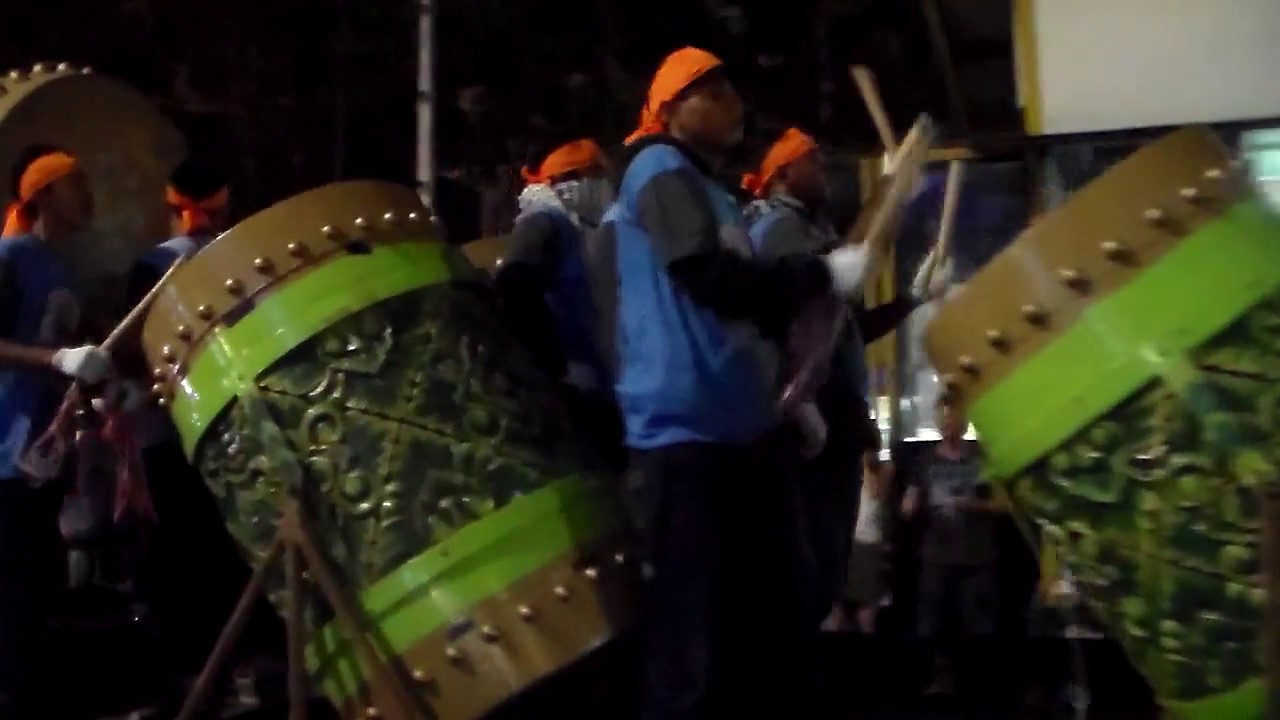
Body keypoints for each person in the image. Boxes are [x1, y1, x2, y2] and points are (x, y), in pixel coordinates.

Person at [591, 47, 875, 720]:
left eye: (731, 91)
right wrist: (820, 275)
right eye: (710, 92)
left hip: (739, 429)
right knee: (693, 632)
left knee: (763, 620)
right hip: (686, 433)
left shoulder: (710, 191)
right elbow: (710, 280)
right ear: (670, 111)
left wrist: (791, 391)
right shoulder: (659, 168)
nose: (732, 104)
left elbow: (748, 315)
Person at [743, 127, 947, 626]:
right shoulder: (780, 230)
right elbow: (824, 305)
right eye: (811, 162)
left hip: (832, 410)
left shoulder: (810, 230)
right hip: (810, 410)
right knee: (816, 545)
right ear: (783, 174)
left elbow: (847, 326)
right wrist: (888, 196)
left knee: (828, 549)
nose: (823, 172)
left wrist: (910, 301)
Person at [124, 159, 284, 710]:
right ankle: (244, 671)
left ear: (169, 206)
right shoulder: (243, 260)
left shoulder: (152, 267)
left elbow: (134, 354)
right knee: (234, 553)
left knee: (182, 557)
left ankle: (197, 677)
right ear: (226, 204)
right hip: (235, 427)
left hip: (169, 433)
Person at [0, 146, 113, 718]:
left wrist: (100, 388)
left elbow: (79, 355)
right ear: (43, 194)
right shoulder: (11, 256)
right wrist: (57, 360)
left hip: (46, 448)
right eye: (77, 184)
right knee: (11, 584)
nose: (88, 195)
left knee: (40, 583)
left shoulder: (65, 270)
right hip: (5, 444)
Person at [493, 137, 623, 471]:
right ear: (571, 180)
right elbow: (515, 284)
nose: (605, 185)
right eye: (596, 175)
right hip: (577, 386)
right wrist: (555, 366)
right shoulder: (545, 222)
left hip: (598, 380)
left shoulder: (580, 227)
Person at [901, 398, 1005, 695]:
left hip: (977, 555)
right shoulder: (925, 460)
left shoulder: (981, 457)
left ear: (964, 422)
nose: (947, 425)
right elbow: (909, 499)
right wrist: (908, 505)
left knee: (979, 624)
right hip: (937, 554)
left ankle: (979, 686)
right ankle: (942, 680)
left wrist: (973, 505)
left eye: (952, 419)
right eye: (943, 420)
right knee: (934, 624)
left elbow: (1003, 504)